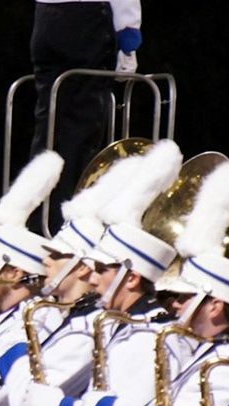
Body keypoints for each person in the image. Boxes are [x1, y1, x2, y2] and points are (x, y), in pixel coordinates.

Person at [30, 0, 143, 232]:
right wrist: (128, 40)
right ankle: (66, 227)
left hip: (44, 17)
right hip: (85, 19)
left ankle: (38, 223)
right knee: (82, 129)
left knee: (48, 127)